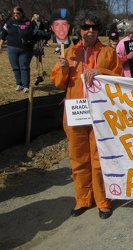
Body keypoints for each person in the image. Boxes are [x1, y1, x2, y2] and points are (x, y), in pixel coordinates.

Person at [50, 9, 123, 219]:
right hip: (74, 113)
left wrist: (102, 72)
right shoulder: (69, 52)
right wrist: (63, 69)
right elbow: (58, 83)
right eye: (86, 27)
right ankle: (82, 199)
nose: (90, 31)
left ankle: (103, 201)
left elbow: (119, 78)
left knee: (99, 158)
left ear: (98, 30)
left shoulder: (108, 53)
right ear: (79, 29)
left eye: (94, 27)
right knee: (78, 157)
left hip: (100, 113)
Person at [0, 6, 39, 93]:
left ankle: (26, 86)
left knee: (24, 67)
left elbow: (36, 35)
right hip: (11, 48)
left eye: (17, 13)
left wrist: (35, 45)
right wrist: (0, 45)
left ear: (22, 13)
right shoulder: (9, 22)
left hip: (25, 49)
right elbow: (3, 34)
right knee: (15, 67)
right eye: (14, 13)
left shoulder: (29, 23)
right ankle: (19, 84)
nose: (15, 15)